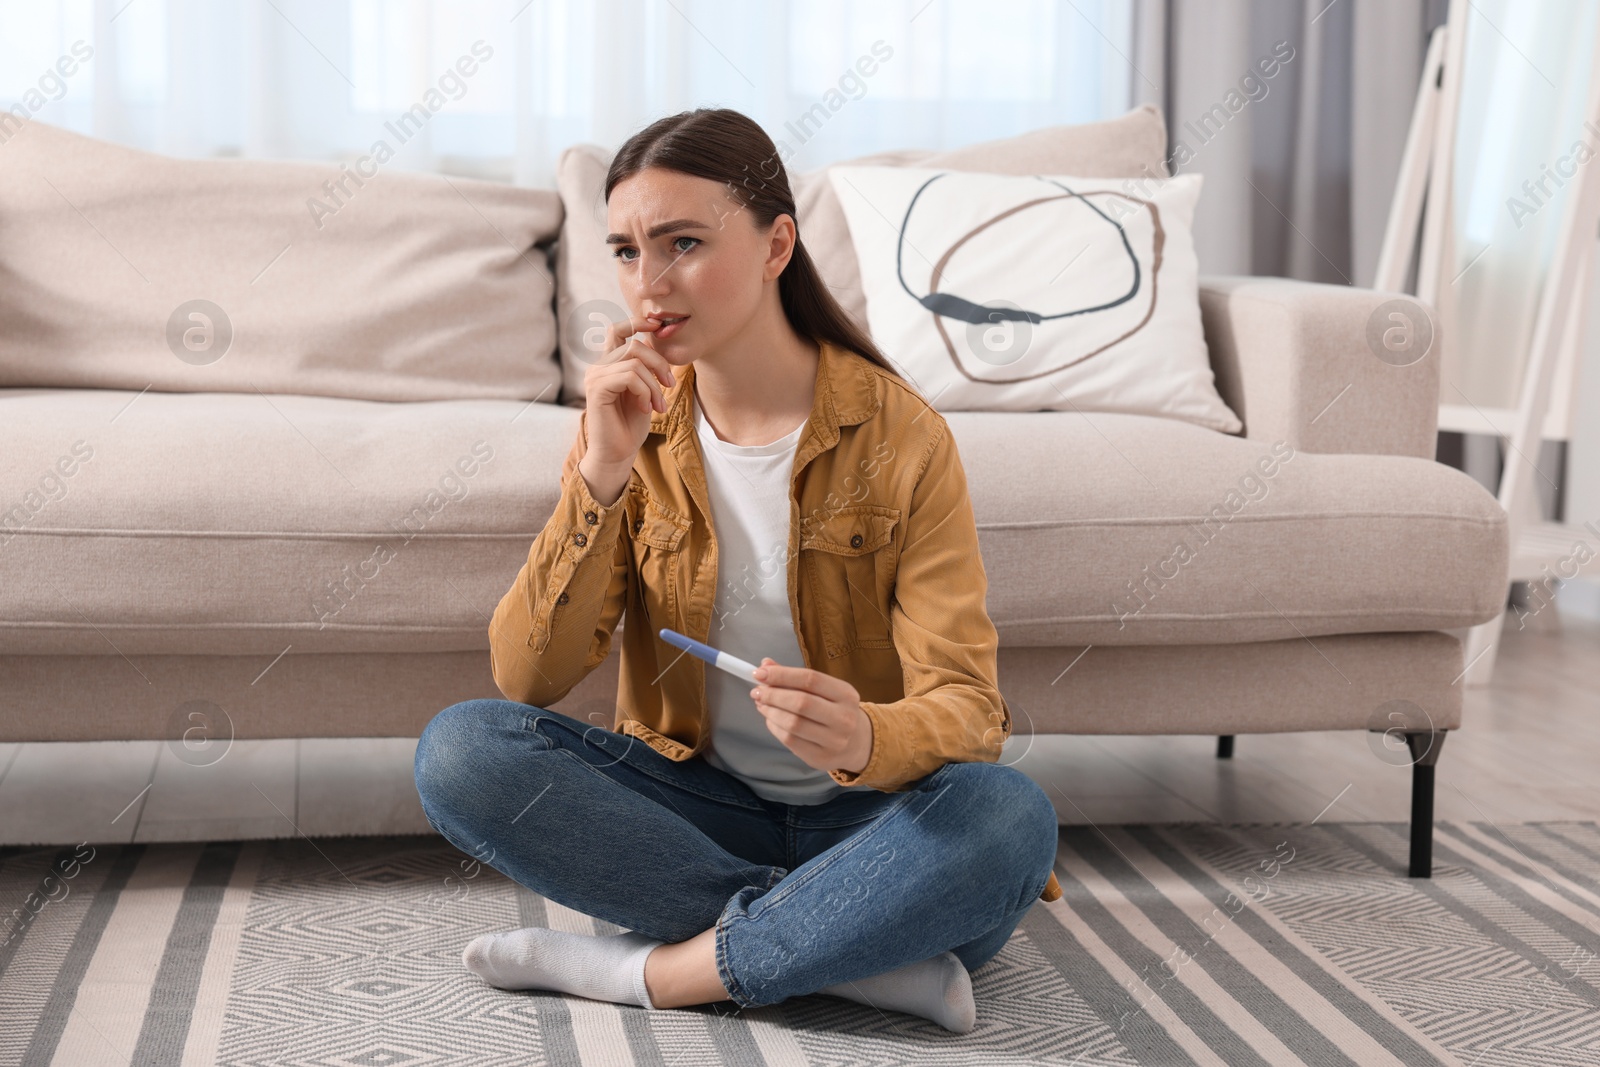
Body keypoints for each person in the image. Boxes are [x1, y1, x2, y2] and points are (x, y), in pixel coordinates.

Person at [413, 107, 1060, 1034]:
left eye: (683, 242)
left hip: (870, 823)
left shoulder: (903, 437)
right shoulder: (632, 430)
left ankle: (652, 971)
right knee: (461, 751)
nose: (649, 283)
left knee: (1008, 820)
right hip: (699, 810)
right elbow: (529, 674)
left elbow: (967, 708)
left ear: (776, 245)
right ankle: (849, 947)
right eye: (628, 252)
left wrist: (868, 738)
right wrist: (599, 473)